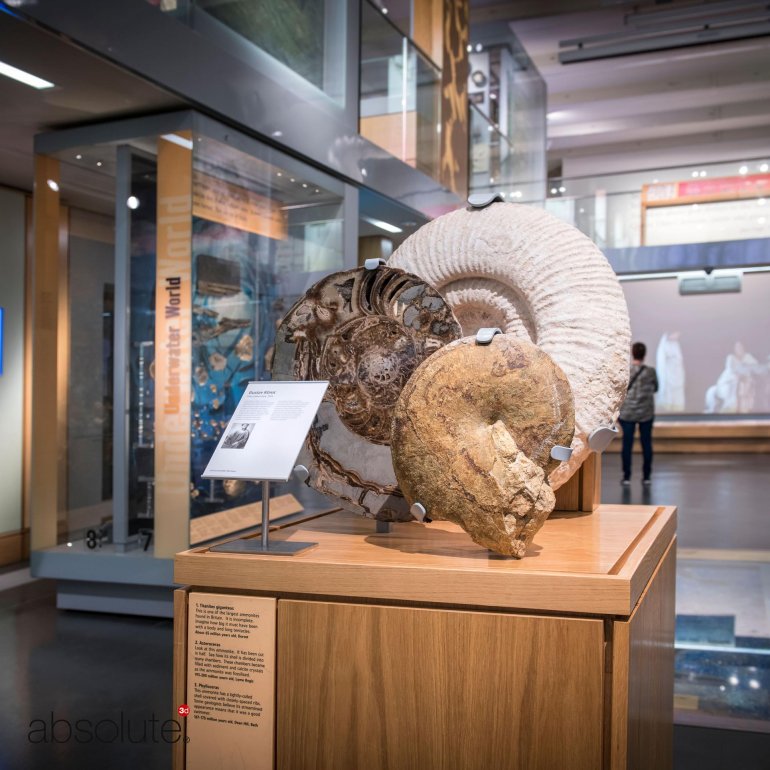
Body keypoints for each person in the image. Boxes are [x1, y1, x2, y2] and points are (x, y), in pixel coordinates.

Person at [618, 342, 659, 485]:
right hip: (646, 413)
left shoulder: (626, 371)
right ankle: (646, 476)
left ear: (632, 353)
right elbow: (656, 388)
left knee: (627, 445)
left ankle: (627, 477)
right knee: (646, 444)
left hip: (627, 413)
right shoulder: (651, 371)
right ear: (644, 354)